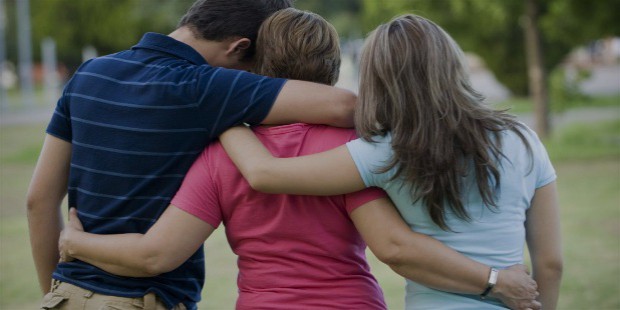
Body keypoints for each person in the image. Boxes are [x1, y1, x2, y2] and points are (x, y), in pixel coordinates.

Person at [59, 9, 541, 310]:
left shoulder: (220, 153)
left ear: (259, 66)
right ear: (332, 69)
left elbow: (156, 253)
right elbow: (393, 245)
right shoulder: (353, 146)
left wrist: (75, 242)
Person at [25, 0, 370, 308]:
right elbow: (344, 105)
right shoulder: (207, 86)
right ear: (239, 48)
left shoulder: (89, 73)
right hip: (145, 299)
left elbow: (38, 201)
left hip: (66, 293)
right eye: (254, 70)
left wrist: (55, 295)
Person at [217, 14, 563, 309]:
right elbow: (550, 264)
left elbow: (264, 173)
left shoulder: (386, 152)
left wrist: (223, 117)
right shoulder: (522, 139)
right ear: (451, 62)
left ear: (378, 81)